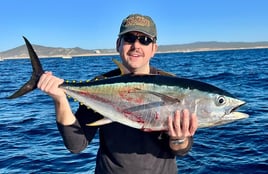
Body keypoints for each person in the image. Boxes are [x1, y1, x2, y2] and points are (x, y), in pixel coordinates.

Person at [38, 14, 198, 174]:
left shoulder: (173, 86)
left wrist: (179, 138)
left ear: (154, 49)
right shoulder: (101, 84)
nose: (136, 45)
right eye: (129, 38)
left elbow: (182, 150)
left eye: (145, 40)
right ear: (118, 44)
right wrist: (60, 100)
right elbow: (76, 144)